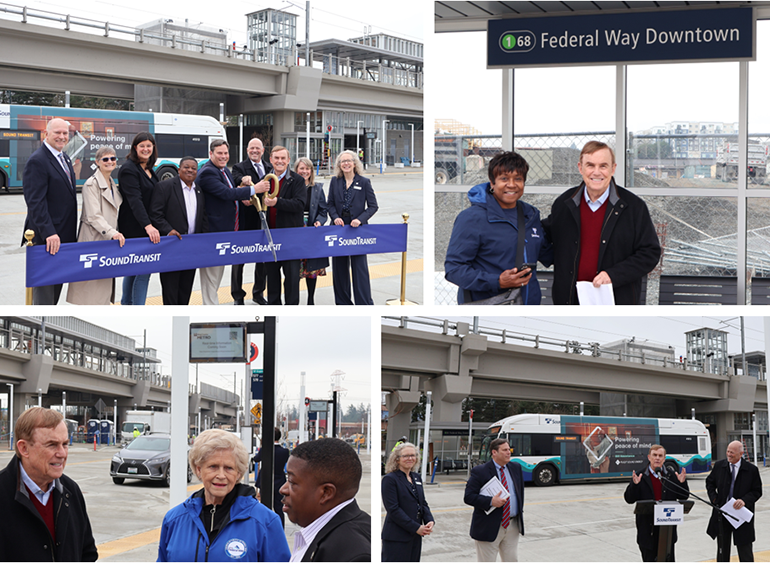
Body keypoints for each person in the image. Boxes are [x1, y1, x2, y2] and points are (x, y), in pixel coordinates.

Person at [542, 141, 661, 305]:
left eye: (603, 166)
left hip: (615, 299)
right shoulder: (564, 204)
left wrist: (614, 275)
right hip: (570, 300)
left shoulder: (633, 207)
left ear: (613, 168)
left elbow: (650, 252)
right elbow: (544, 236)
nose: (596, 172)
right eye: (590, 165)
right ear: (580, 167)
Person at [157, 429, 290, 562]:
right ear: (199, 470)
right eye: (213, 466)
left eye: (229, 468)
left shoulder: (265, 522)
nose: (221, 475)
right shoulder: (174, 520)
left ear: (238, 473)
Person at [445, 151, 552, 305]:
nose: (511, 185)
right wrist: (497, 281)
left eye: (518, 179)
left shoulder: (530, 215)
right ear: (492, 182)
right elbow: (454, 269)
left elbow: (548, 253)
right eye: (504, 178)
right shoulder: (472, 218)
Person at [0, 407, 98, 561]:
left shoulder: (71, 491)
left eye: (65, 444)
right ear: (24, 448)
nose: (62, 453)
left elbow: (88, 553)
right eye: (52, 445)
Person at [279, 438, 370, 561]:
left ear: (326, 493)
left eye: (292, 482)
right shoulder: (330, 534)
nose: (283, 489)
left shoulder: (352, 554)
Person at [22, 117, 78, 305]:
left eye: (65, 133)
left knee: (55, 293)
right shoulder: (37, 161)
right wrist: (49, 233)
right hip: (48, 239)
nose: (62, 137)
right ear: (47, 134)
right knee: (45, 299)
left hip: (63, 239)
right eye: (57, 133)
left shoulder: (65, 158)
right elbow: (35, 202)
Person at [197, 139, 259, 305]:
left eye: (226, 153)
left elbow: (230, 193)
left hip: (224, 234)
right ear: (210, 154)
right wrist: (254, 189)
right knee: (211, 280)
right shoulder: (208, 172)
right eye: (219, 153)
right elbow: (225, 193)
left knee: (216, 278)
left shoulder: (223, 171)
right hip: (213, 234)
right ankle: (211, 313)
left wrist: (242, 193)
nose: (223, 156)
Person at [66, 145, 125, 305]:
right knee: (90, 290)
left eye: (112, 158)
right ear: (97, 162)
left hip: (107, 241)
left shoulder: (112, 183)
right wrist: (112, 233)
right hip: (94, 240)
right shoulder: (91, 184)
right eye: (105, 159)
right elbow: (93, 216)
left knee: (102, 289)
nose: (110, 161)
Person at [149, 156, 208, 305]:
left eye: (194, 168)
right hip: (172, 247)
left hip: (191, 248)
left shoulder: (199, 190)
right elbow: (155, 214)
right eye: (186, 167)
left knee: (185, 290)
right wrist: (168, 230)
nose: (190, 170)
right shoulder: (164, 186)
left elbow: (202, 217)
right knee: (170, 290)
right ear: (178, 169)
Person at [327, 150, 378, 305]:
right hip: (340, 228)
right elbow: (330, 204)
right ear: (339, 165)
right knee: (339, 269)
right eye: (343, 161)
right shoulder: (335, 181)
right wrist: (335, 217)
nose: (346, 164)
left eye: (349, 161)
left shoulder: (364, 182)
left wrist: (360, 220)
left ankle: (364, 303)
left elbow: (373, 206)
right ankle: (343, 302)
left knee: (359, 268)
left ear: (355, 163)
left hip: (357, 229)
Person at [117, 132, 162, 305]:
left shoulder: (149, 168)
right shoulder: (129, 169)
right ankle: (137, 308)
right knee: (143, 273)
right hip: (136, 227)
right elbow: (135, 200)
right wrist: (148, 226)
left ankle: (127, 305)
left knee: (133, 270)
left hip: (144, 226)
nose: (145, 149)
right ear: (135, 147)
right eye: (142, 145)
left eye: (149, 146)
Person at [623, 444, 689, 562]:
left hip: (667, 531)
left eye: (660, 456)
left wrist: (682, 483)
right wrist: (635, 485)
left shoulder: (671, 475)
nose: (657, 458)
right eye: (654, 455)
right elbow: (629, 499)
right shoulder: (640, 475)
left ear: (664, 459)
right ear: (649, 457)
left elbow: (683, 496)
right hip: (648, 531)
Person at [464, 438, 524, 562]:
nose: (509, 452)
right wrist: (491, 501)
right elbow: (468, 497)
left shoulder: (516, 467)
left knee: (512, 560)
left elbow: (520, 493)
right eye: (505, 450)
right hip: (489, 526)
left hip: (512, 525)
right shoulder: (480, 471)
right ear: (494, 452)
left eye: (509, 449)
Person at [705, 440, 763, 562]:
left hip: (741, 515)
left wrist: (744, 500)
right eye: (728, 451)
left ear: (741, 454)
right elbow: (710, 483)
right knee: (722, 550)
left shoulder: (751, 470)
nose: (729, 455)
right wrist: (714, 498)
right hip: (723, 514)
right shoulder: (720, 466)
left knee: (745, 550)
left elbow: (757, 491)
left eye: (733, 453)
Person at [263, 145, 306, 305]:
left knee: (292, 279)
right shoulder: (265, 180)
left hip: (290, 239)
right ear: (271, 160)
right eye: (276, 158)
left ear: (288, 160)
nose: (280, 161)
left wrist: (277, 202)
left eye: (283, 158)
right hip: (270, 238)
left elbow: (300, 204)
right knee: (272, 279)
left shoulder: (297, 180)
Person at [231, 138, 272, 305]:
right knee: (239, 260)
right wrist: (243, 185)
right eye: (251, 148)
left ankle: (258, 292)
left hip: (264, 219)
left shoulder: (270, 168)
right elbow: (235, 184)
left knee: (262, 259)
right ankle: (237, 295)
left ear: (263, 150)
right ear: (247, 150)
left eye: (258, 148)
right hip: (245, 220)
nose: (254, 151)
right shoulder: (239, 168)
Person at [381, 442, 434, 562]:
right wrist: (416, 527)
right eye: (405, 456)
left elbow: (422, 503)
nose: (410, 458)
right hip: (397, 537)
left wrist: (429, 519)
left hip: (415, 536)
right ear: (397, 459)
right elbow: (393, 509)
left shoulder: (416, 477)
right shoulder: (390, 479)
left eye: (413, 455)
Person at [295, 157, 329, 305]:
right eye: (301, 168)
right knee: (295, 268)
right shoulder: (292, 186)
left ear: (311, 171)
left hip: (312, 230)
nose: (304, 171)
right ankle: (293, 299)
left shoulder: (317, 188)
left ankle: (310, 299)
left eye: (307, 168)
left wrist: (319, 221)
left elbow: (324, 211)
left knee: (312, 268)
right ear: (296, 170)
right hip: (296, 230)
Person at [253, 427, 291, 527]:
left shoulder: (265, 449)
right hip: (279, 482)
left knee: (264, 507)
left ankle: (264, 527)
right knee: (279, 508)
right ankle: (279, 529)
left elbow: (256, 459)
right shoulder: (285, 451)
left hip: (265, 481)